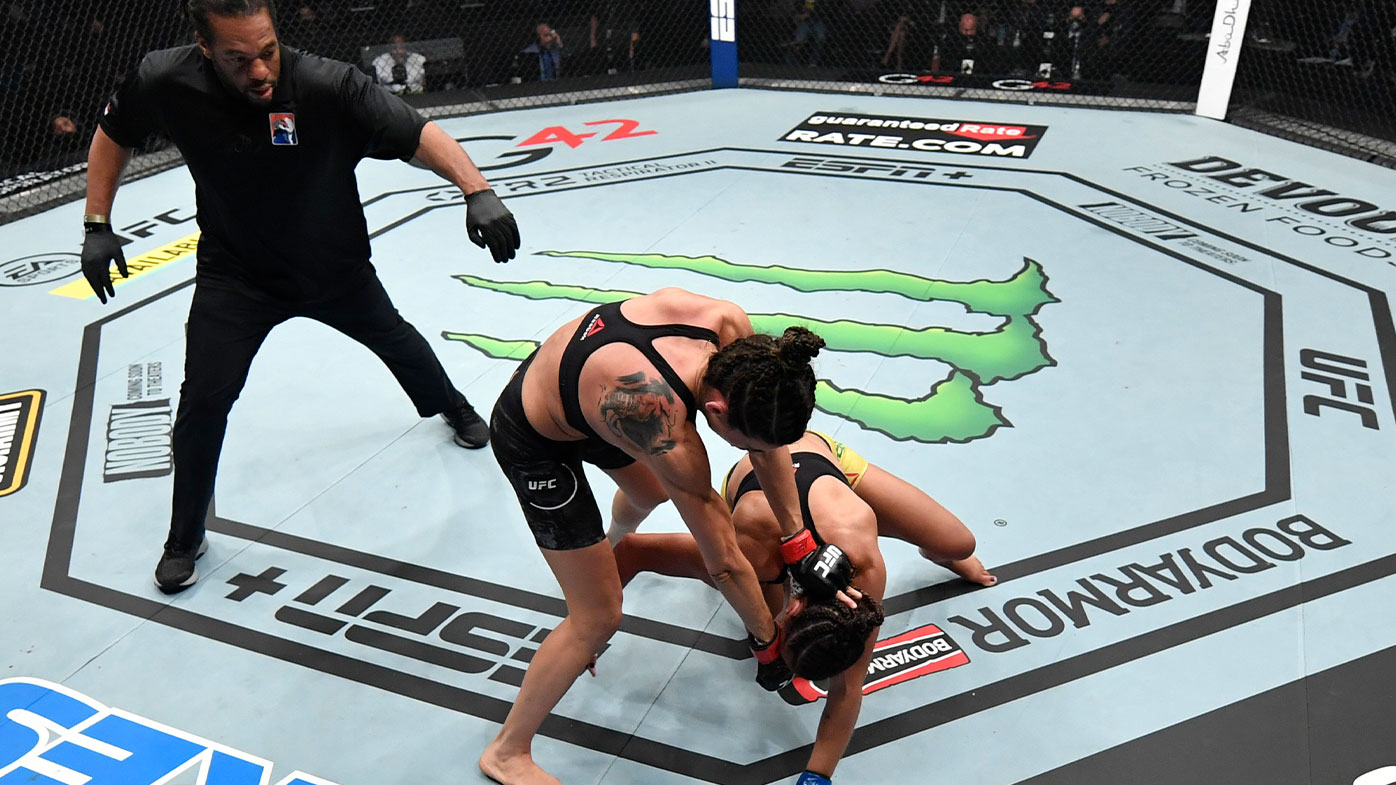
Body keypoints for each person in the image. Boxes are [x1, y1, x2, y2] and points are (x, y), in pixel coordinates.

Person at [79, 0, 521, 594]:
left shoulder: (326, 84)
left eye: (268, 51)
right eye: (239, 59)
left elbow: (419, 133)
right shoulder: (165, 78)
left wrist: (478, 190)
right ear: (205, 49)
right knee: (203, 401)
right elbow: (113, 134)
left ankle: (454, 406)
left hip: (332, 268)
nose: (260, 70)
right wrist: (97, 224)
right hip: (236, 276)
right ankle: (185, 533)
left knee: (397, 341)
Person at [479, 289, 857, 785]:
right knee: (597, 616)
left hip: (589, 391)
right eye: (741, 443)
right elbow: (722, 558)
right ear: (717, 410)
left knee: (653, 487)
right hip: (536, 435)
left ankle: (607, 545)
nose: (752, 453)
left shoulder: (733, 335)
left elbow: (769, 452)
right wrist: (766, 642)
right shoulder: (653, 416)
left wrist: (799, 542)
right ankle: (507, 752)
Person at [613, 430, 996, 784]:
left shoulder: (864, 577)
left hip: (829, 471)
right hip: (762, 472)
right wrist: (593, 626)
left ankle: (943, 554)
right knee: (748, 592)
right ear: (793, 611)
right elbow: (633, 551)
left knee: (958, 543)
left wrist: (817, 778)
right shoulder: (748, 554)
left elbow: (848, 687)